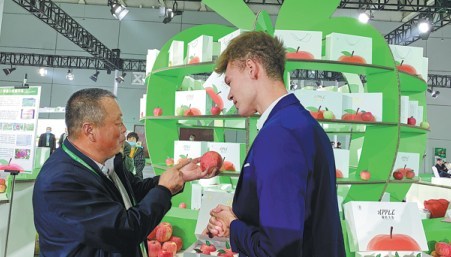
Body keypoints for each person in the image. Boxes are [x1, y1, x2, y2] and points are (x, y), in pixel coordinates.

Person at [206, 31, 345, 257]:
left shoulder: (281, 134)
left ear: (252, 68)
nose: (229, 95)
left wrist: (234, 225)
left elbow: (278, 249)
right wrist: (240, 216)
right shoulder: (300, 123)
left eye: (230, 82)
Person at [33, 88, 218, 257]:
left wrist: (179, 177)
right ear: (89, 130)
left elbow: (134, 191)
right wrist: (164, 190)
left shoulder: (109, 162)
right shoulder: (61, 181)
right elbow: (124, 231)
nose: (124, 129)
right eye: (118, 123)